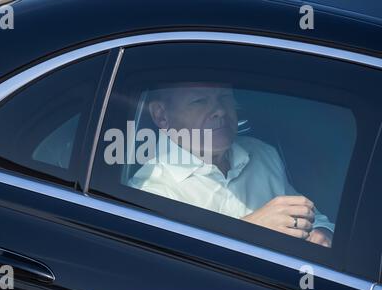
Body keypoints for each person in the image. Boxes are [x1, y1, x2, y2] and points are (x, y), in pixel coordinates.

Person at [128, 82, 334, 247]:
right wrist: (249, 231)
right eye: (199, 101)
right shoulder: (149, 192)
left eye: (225, 96)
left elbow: (310, 217)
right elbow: (174, 277)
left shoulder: (262, 153)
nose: (219, 110)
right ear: (161, 116)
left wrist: (322, 232)